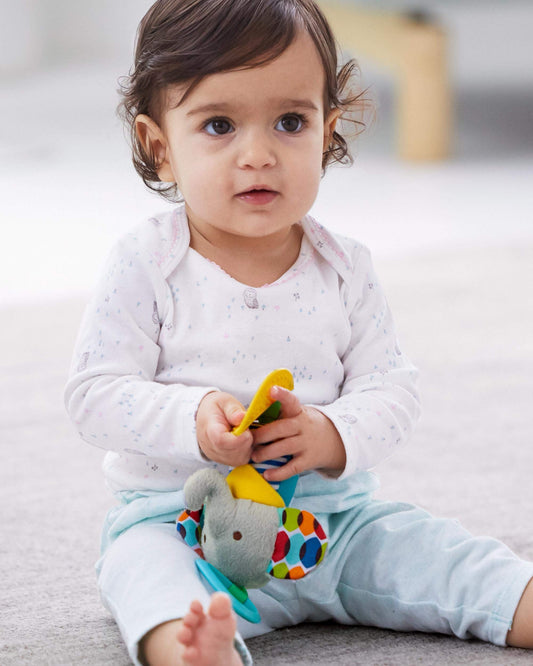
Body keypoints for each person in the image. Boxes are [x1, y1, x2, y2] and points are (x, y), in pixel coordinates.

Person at [64, 0, 533, 664]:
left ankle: (517, 601)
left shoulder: (344, 267)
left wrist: (331, 433)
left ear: (326, 131)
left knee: (445, 555)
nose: (258, 155)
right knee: (143, 574)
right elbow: (94, 394)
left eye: (290, 122)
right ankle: (195, 647)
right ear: (159, 147)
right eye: (219, 125)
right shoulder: (146, 263)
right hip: (187, 528)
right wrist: (193, 417)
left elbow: (392, 390)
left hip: (332, 526)